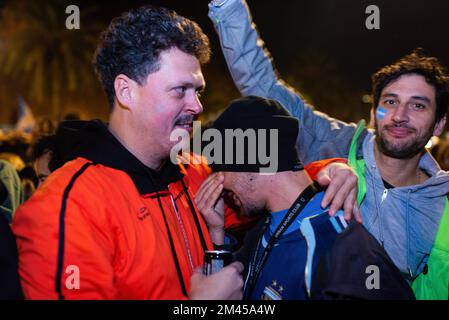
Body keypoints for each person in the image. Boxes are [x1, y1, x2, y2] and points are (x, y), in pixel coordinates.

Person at [208, 0, 449, 299]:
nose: (400, 115)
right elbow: (265, 86)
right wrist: (227, 5)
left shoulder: (444, 204)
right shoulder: (336, 144)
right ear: (374, 113)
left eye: (418, 105)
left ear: (439, 124)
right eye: (390, 102)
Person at [12, 5, 244, 300]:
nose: (197, 106)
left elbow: (272, 192)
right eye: (180, 90)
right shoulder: (66, 207)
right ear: (125, 91)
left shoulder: (195, 172)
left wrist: (319, 176)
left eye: (197, 91)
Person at [195, 96, 414, 300]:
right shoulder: (260, 230)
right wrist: (217, 235)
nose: (220, 182)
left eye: (221, 167)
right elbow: (227, 290)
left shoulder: (346, 249)